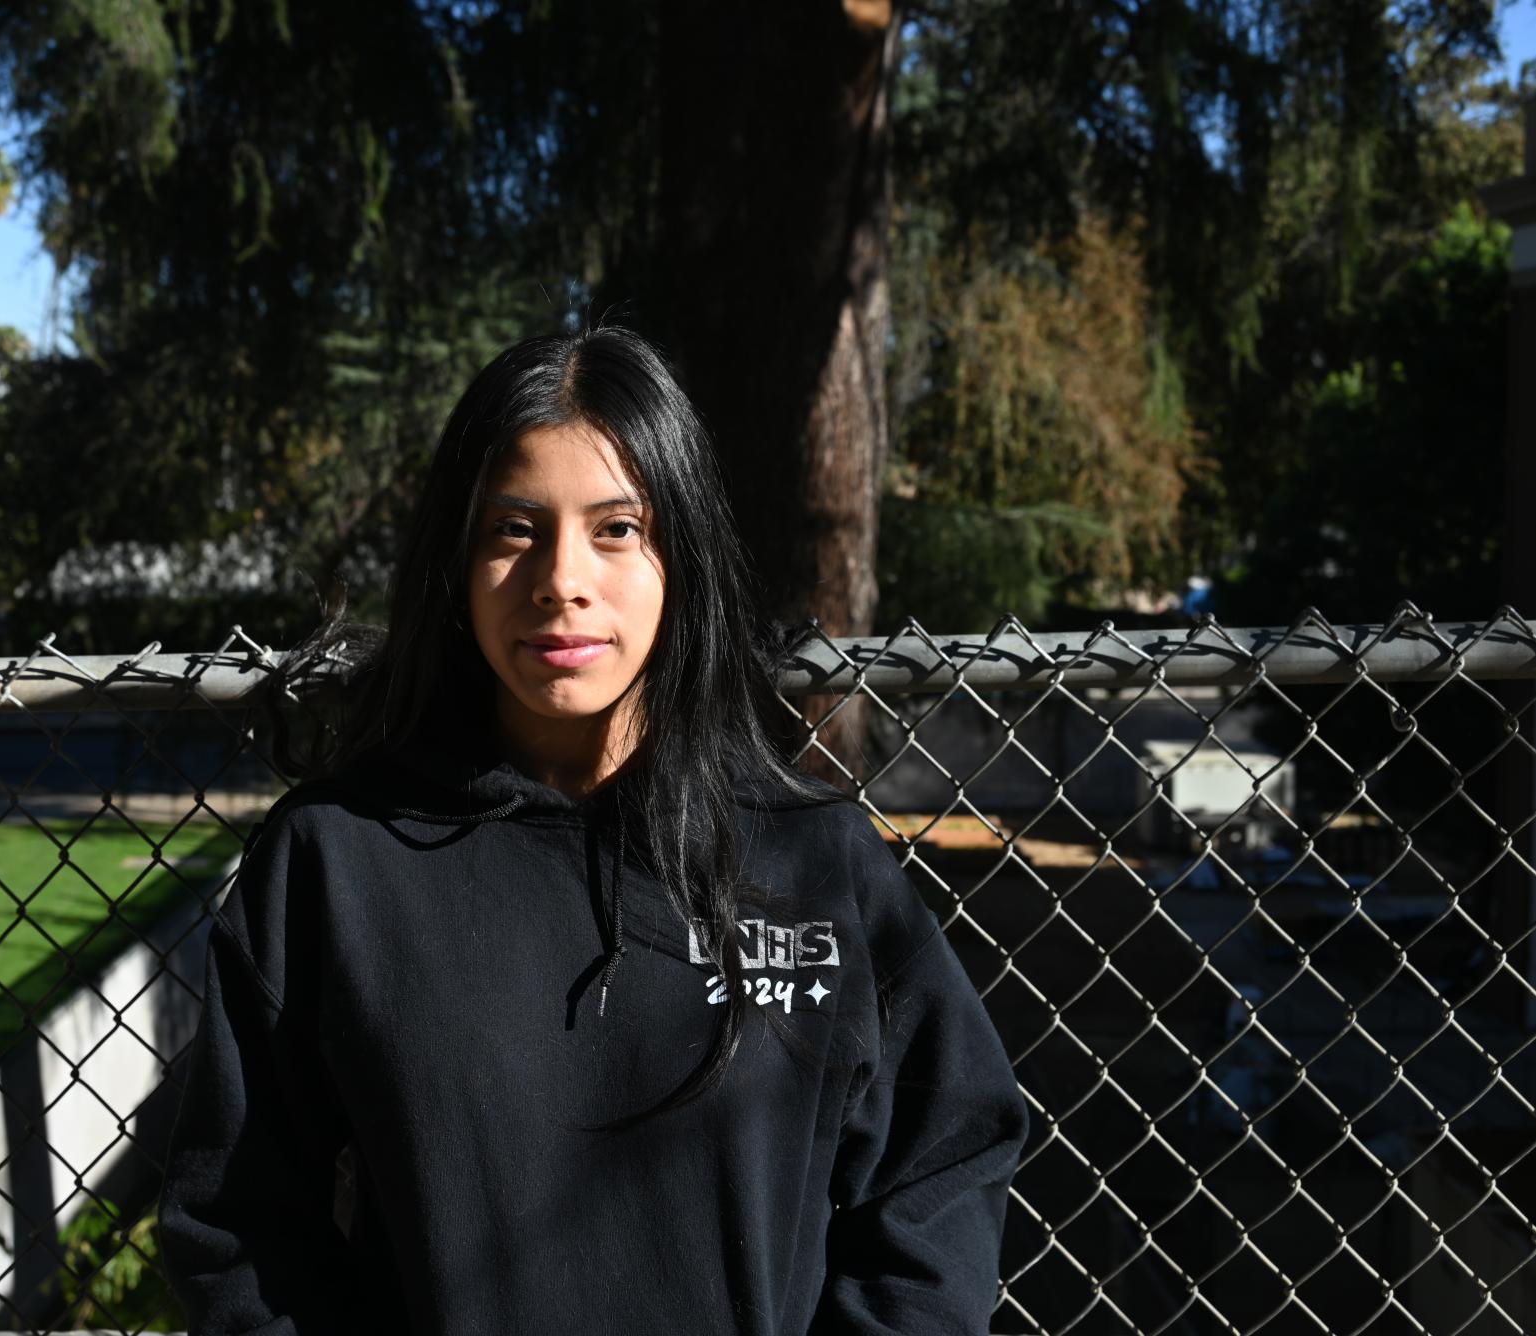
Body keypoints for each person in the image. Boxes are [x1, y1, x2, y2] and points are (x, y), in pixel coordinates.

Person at [158, 325, 1029, 1334]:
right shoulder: (337, 862)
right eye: (514, 528)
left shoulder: (815, 857)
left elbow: (945, 1160)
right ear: (457, 553)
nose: (561, 579)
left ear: (681, 553)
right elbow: (236, 1221)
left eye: (617, 528)